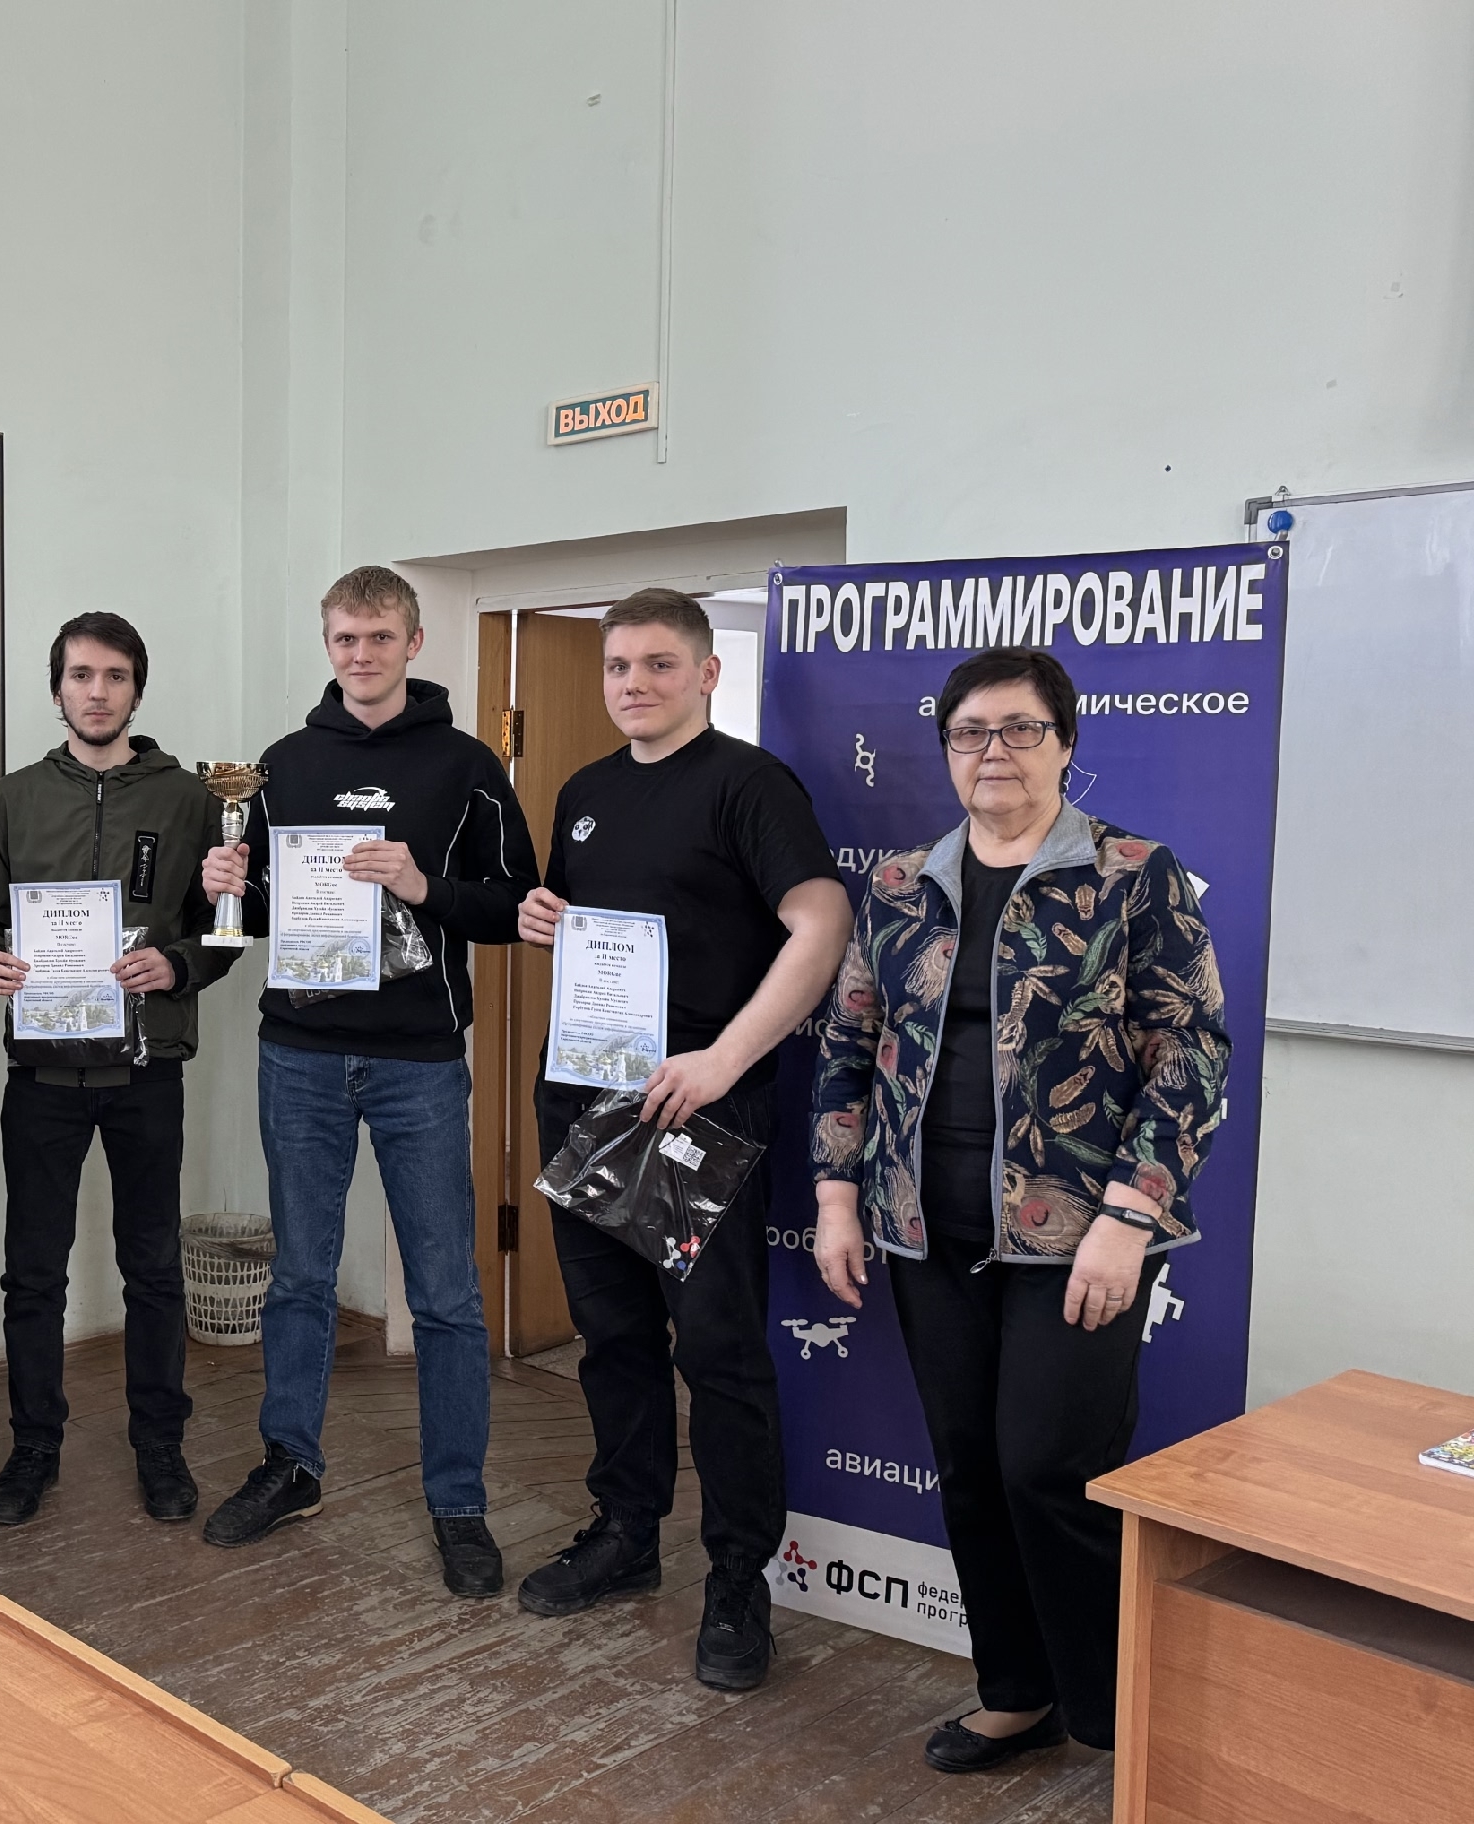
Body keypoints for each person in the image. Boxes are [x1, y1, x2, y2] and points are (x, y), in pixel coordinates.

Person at [809, 646, 1228, 1768]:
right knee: (967, 1466)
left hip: (1078, 1232)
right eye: (969, 732)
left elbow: (1190, 1053)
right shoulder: (901, 885)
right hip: (922, 1226)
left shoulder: (1133, 875)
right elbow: (849, 1043)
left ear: (1065, 744)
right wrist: (837, 1195)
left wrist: (1129, 1218)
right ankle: (1016, 1691)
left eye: (1019, 729)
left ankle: (1120, 1713)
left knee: (1050, 1470)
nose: (992, 751)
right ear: (946, 750)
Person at [512, 586, 851, 1692]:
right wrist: (541, 920)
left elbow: (822, 924)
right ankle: (625, 1534)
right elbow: (596, 927)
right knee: (610, 1337)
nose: (634, 684)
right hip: (586, 1102)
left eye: (659, 664)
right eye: (618, 666)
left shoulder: (748, 784)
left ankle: (739, 1579)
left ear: (706, 673)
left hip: (697, 1111)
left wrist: (725, 1060)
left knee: (718, 1354)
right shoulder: (585, 790)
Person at [196, 566, 539, 1598]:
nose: (361, 655)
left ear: (413, 642)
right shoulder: (282, 765)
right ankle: (290, 1466)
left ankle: (458, 1502)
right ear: (327, 644)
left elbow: (516, 905)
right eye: (345, 638)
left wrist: (423, 885)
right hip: (297, 1053)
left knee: (445, 1293)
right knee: (300, 1276)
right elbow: (262, 912)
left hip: (418, 1061)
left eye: (380, 637)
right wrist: (227, 888)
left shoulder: (467, 765)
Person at [0, 612, 234, 1527]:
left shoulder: (193, 800)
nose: (97, 691)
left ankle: (160, 1445)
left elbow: (224, 929)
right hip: (41, 1077)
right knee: (33, 1273)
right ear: (57, 690)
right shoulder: (10, 800)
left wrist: (180, 964)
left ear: (136, 690)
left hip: (146, 1073)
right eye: (81, 675)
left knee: (152, 1268)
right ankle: (32, 1446)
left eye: (115, 676)